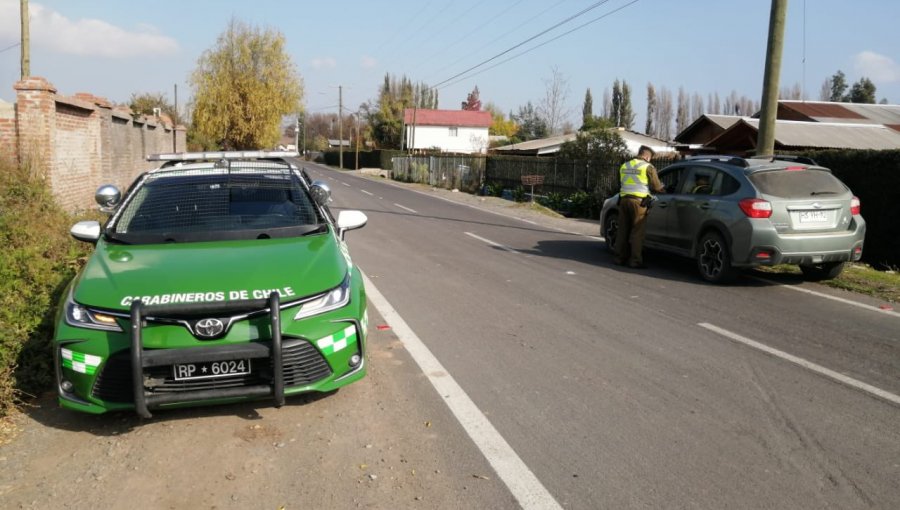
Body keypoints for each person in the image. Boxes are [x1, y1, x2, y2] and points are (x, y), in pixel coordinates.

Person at [614, 145, 665, 269]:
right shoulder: (648, 167)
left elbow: (619, 182)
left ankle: (620, 258)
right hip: (639, 203)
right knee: (637, 232)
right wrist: (664, 189)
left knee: (623, 230)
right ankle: (635, 261)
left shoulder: (625, 165)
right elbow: (657, 186)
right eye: (650, 158)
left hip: (624, 200)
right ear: (647, 156)